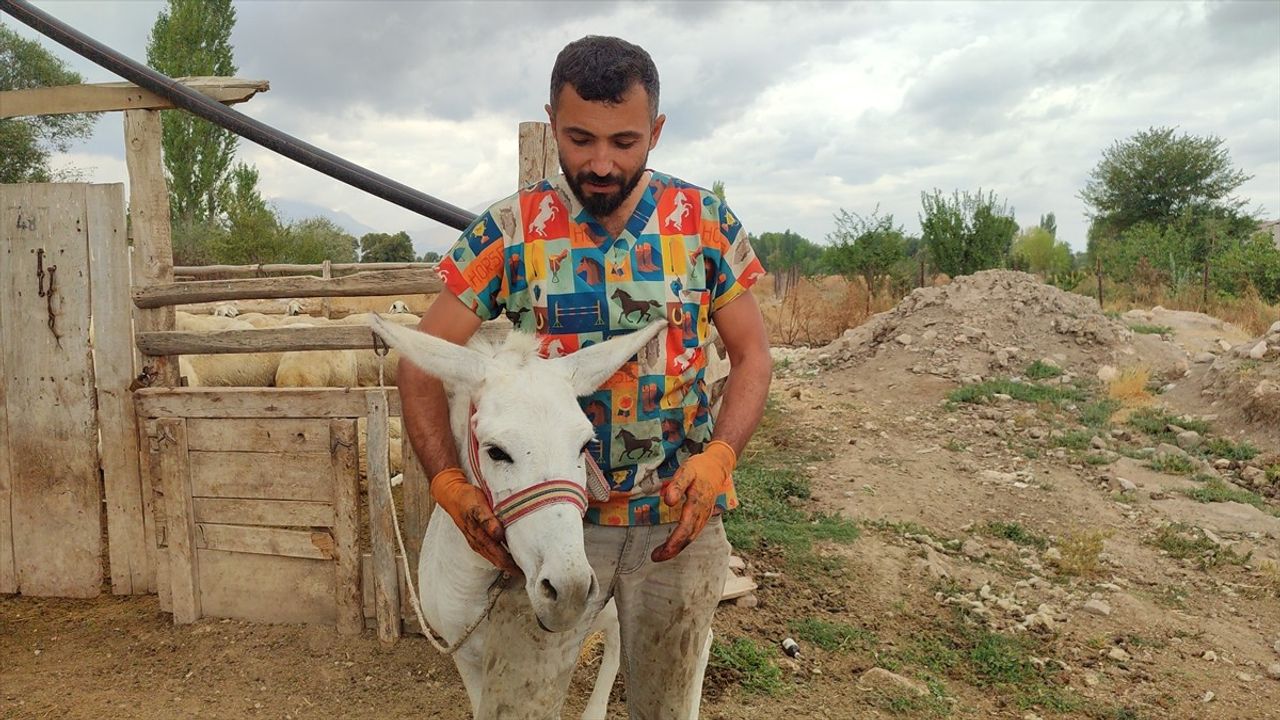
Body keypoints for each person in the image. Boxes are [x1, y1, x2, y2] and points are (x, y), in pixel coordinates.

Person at [399, 35, 771, 718]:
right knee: (519, 709)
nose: (601, 163)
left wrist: (721, 456)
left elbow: (752, 355)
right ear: (551, 122)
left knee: (667, 707)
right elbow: (420, 360)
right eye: (579, 139)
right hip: (552, 527)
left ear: (656, 131)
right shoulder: (509, 233)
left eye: (625, 142)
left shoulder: (704, 225)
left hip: (678, 524)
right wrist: (447, 481)